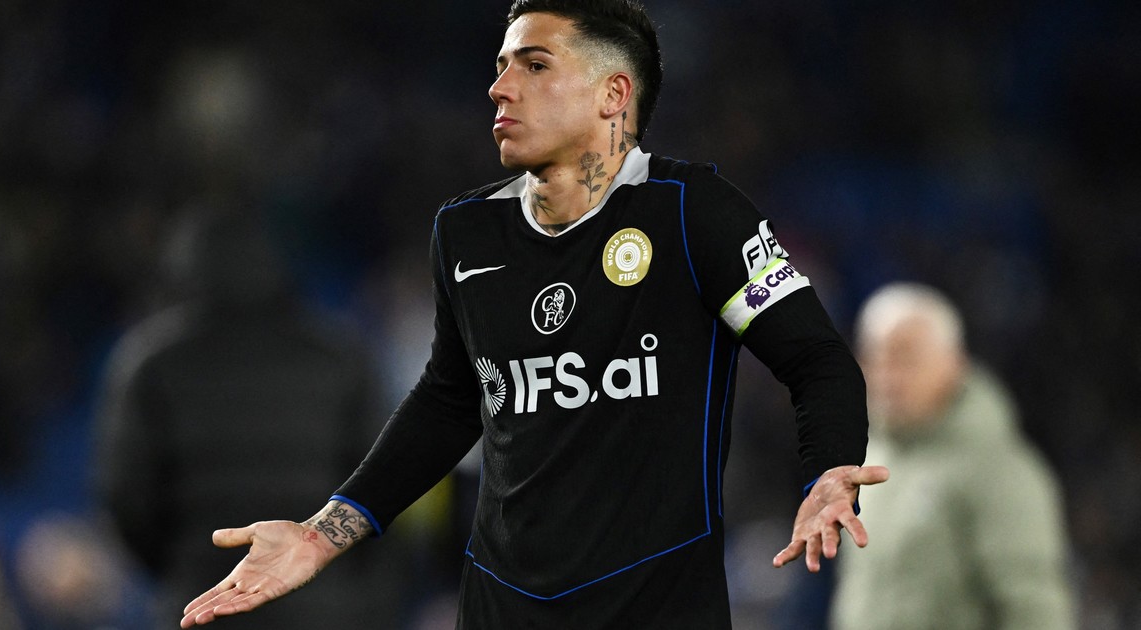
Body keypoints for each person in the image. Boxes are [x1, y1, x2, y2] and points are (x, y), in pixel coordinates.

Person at [180, 1, 889, 627]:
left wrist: (829, 471)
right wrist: (321, 534)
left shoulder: (693, 212)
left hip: (654, 607)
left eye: (534, 65)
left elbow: (816, 359)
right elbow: (451, 399)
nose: (499, 86)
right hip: (502, 606)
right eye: (500, 66)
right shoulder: (466, 233)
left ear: (613, 94)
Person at [96, 208, 405, 628]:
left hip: (203, 602)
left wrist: (182, 571)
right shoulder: (343, 357)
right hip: (325, 607)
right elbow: (388, 486)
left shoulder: (150, 363)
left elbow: (127, 499)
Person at [831, 282, 1075, 629]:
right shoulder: (868, 457)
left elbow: (1034, 608)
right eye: (875, 358)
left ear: (954, 362)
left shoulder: (997, 470)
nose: (887, 376)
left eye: (905, 358)